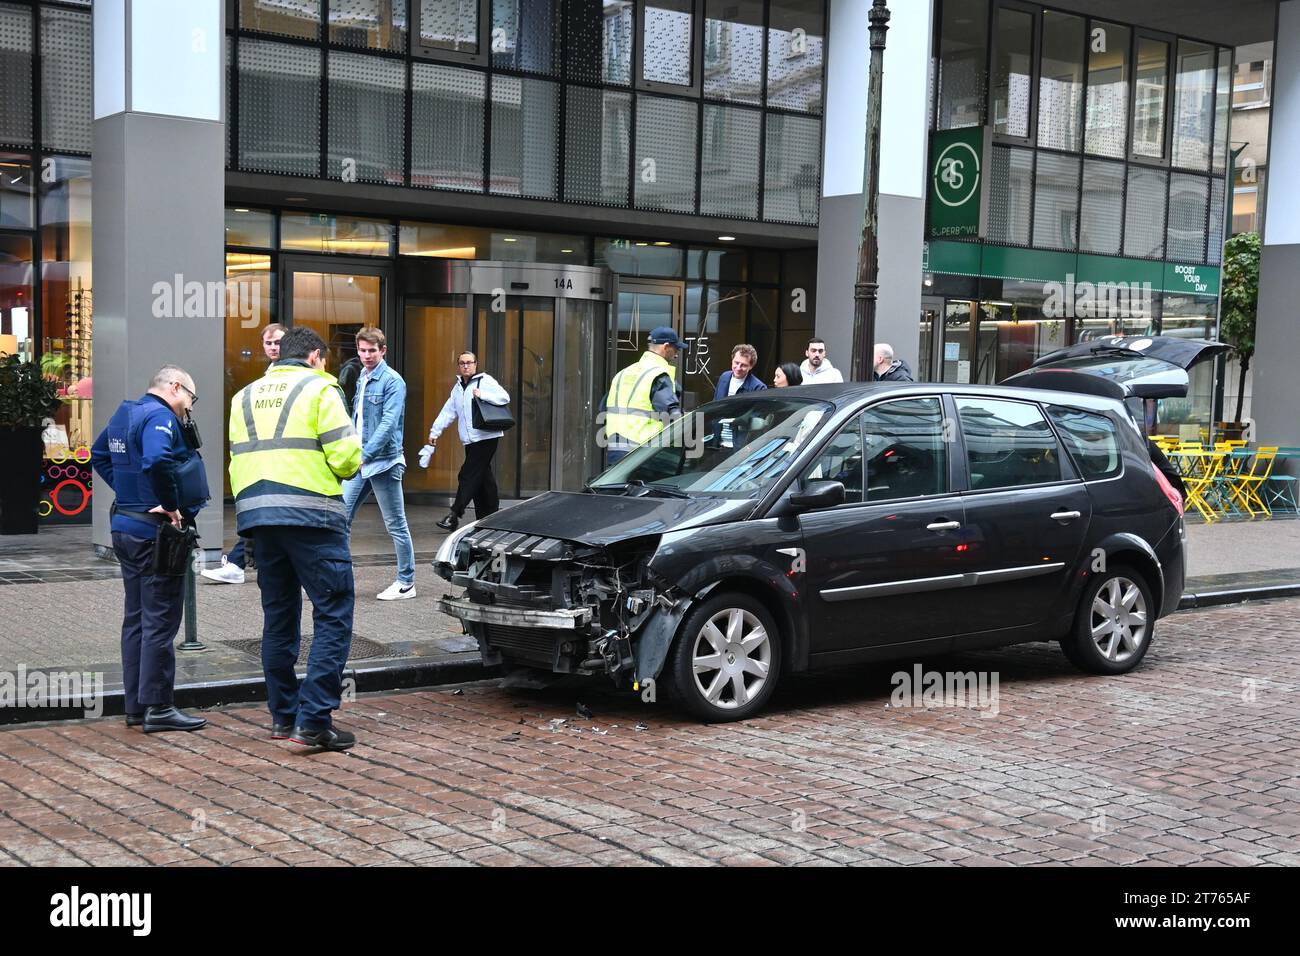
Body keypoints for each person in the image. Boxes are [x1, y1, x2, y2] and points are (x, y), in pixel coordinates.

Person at [229, 326, 363, 751]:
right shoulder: (321, 389)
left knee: (279, 618)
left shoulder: (244, 396)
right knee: (333, 614)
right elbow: (346, 458)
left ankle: (282, 718)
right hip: (312, 517)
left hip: (258, 518)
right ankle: (314, 720)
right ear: (314, 357)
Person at [91, 365, 210, 734]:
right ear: (175, 387)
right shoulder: (161, 417)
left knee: (137, 620)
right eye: (190, 398)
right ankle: (158, 706)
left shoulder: (125, 413)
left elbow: (99, 456)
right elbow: (158, 461)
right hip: (153, 533)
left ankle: (136, 707)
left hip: (125, 527)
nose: (189, 408)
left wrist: (132, 495)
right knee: (159, 619)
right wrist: (167, 503)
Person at [202, 322, 286, 585]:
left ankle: (240, 563)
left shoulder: (289, 372)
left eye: (278, 342)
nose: (273, 347)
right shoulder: (269, 372)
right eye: (269, 343)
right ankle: (241, 562)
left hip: (283, 456)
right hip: (267, 454)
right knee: (267, 515)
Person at [343, 327, 416, 600]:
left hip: (384, 461)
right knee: (341, 519)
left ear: (383, 350)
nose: (366, 355)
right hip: (360, 460)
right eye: (362, 350)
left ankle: (406, 582)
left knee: (396, 524)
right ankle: (338, 579)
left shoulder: (393, 381)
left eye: (372, 351)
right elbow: (358, 418)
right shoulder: (363, 376)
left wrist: (365, 454)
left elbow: (388, 423)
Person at [428, 351, 511, 531]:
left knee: (467, 474)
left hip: (487, 437)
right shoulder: (457, 388)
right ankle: (489, 517)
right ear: (459, 366)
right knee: (482, 478)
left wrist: (482, 394)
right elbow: (448, 412)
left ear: (475, 364)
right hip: (470, 441)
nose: (466, 366)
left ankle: (454, 515)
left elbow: (505, 397)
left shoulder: (485, 380)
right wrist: (435, 432)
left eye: (469, 363)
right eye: (462, 363)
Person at [602, 326, 685, 465]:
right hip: (643, 454)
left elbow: (604, 409)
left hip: (615, 450)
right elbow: (673, 415)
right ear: (665, 347)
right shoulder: (658, 375)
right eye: (676, 349)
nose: (676, 354)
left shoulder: (622, 374)